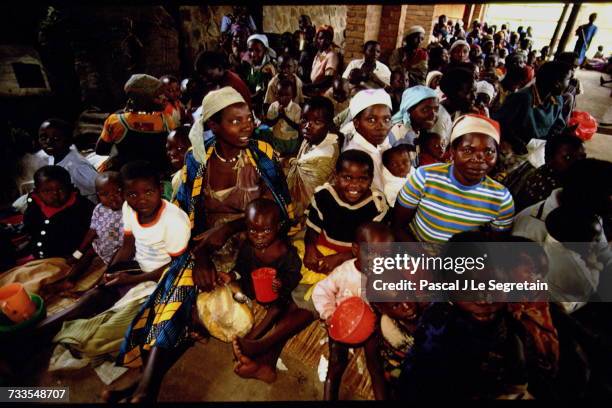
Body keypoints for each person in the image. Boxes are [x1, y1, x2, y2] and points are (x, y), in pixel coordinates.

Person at [113, 87, 295, 402]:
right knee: (178, 289)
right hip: (205, 242)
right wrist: (200, 255)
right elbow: (186, 215)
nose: (246, 126)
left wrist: (232, 228)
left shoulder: (261, 152)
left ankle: (150, 375)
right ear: (214, 125)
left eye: (248, 118)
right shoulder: (198, 157)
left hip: (254, 236)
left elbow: (276, 209)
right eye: (235, 121)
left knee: (268, 292)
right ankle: (148, 386)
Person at [292, 150, 389, 316]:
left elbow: (374, 247)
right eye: (347, 178)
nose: (354, 185)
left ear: (371, 179)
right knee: (292, 266)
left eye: (362, 179)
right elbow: (313, 226)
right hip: (322, 245)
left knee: (340, 292)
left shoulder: (376, 204)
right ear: (336, 176)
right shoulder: (324, 196)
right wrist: (310, 247)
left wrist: (342, 258)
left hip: (356, 258)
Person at [393, 114, 514, 243]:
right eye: (468, 150)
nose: (479, 160)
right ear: (452, 151)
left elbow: (496, 248)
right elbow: (397, 227)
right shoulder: (425, 177)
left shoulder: (501, 199)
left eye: (489, 152)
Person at [312, 222, 394, 400]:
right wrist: (329, 314)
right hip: (341, 322)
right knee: (335, 362)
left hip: (371, 326)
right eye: (371, 253)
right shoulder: (344, 272)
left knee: (376, 366)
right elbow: (321, 291)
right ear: (356, 250)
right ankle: (329, 395)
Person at [225, 199, 302, 383]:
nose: (259, 236)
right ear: (246, 228)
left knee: (279, 307)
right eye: (253, 230)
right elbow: (241, 268)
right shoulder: (247, 248)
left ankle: (254, 336)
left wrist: (281, 282)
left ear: (278, 227)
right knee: (228, 292)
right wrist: (232, 275)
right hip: (253, 290)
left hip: (276, 295)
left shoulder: (285, 252)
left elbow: (294, 274)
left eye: (266, 230)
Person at [96, 74, 176, 174]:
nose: (164, 98)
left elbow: (101, 150)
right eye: (157, 95)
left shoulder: (117, 120)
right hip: (157, 176)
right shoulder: (167, 120)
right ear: (144, 98)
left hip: (127, 176)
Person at [493, 61, 571, 154]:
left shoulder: (557, 100)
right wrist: (515, 141)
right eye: (568, 79)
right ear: (557, 83)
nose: (569, 83)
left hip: (539, 150)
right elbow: (499, 123)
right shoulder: (521, 98)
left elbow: (558, 125)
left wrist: (552, 139)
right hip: (517, 150)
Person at [64, 172, 124, 287]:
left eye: (118, 191)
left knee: (111, 272)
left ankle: (96, 287)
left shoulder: (129, 210)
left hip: (119, 251)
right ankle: (70, 280)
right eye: (105, 194)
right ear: (98, 196)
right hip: (100, 246)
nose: (112, 197)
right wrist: (78, 253)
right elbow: (92, 231)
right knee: (87, 253)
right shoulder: (99, 209)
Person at [286, 96, 340, 221]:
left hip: (307, 214)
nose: (308, 126)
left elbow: (307, 199)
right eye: (304, 120)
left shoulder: (324, 159)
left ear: (329, 125)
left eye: (317, 122)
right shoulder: (310, 138)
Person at [23, 166, 94, 260]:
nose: (55, 195)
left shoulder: (83, 207)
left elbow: (91, 240)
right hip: (40, 259)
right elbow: (32, 232)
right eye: (47, 191)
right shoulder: (34, 206)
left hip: (73, 259)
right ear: (37, 191)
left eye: (61, 189)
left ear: (70, 187)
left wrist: (76, 256)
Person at [506, 131, 585, 212]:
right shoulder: (543, 186)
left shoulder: (556, 173)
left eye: (582, 158)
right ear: (549, 158)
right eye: (567, 158)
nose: (577, 163)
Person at [342, 88, 393, 192]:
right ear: (356, 123)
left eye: (386, 119)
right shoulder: (355, 159)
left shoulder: (383, 143)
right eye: (372, 120)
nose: (381, 126)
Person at [38, 119, 98, 204]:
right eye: (43, 138)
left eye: (56, 138)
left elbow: (98, 187)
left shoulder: (77, 166)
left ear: (68, 140)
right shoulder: (54, 157)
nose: (48, 142)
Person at [431, 67, 477, 144]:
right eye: (469, 92)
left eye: (475, 91)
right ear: (453, 93)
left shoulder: (456, 112)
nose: (474, 96)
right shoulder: (438, 119)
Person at [240, 34, 277, 118]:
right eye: (250, 50)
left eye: (257, 50)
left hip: (267, 109)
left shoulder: (269, 69)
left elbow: (262, 94)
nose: (253, 54)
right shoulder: (250, 66)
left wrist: (246, 99)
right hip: (254, 106)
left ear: (265, 50)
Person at [265, 79, 302, 157]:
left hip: (291, 141)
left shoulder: (296, 108)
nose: (283, 98)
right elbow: (269, 123)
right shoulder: (273, 106)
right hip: (277, 139)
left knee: (290, 159)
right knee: (279, 158)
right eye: (280, 94)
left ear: (292, 95)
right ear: (276, 95)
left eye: (287, 95)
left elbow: (297, 127)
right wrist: (278, 116)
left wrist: (284, 117)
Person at [305, 25, 340, 96]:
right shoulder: (323, 54)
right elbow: (318, 68)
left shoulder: (332, 55)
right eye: (320, 38)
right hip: (315, 87)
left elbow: (328, 80)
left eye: (326, 38)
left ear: (330, 40)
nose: (323, 41)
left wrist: (311, 86)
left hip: (323, 92)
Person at [164, 126, 192, 201]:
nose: (172, 153)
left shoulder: (182, 177)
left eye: (180, 148)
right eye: (169, 148)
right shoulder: (177, 177)